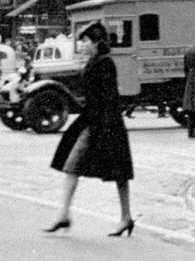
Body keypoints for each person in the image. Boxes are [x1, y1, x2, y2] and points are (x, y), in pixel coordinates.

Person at [45, 22, 135, 237]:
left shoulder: (105, 64)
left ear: (96, 42)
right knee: (77, 167)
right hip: (95, 122)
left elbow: (108, 98)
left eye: (85, 41)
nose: (82, 45)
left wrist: (101, 126)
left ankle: (125, 217)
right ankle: (65, 214)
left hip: (103, 124)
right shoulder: (95, 62)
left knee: (115, 172)